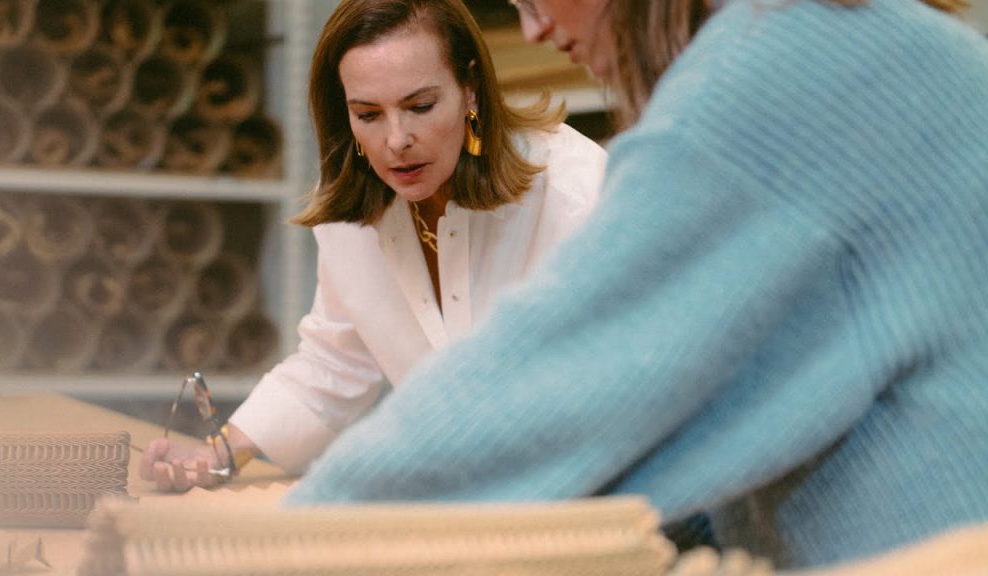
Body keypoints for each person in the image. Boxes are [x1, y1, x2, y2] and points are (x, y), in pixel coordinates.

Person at [282, 0, 988, 571]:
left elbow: (559, 381)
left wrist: (296, 535)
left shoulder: (772, 69)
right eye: (368, 114)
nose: (532, 28)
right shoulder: (875, 37)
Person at [139, 0, 607, 491]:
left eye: (420, 107)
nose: (396, 140)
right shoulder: (356, 214)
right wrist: (220, 454)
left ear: (470, 88)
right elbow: (333, 364)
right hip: (461, 502)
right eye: (368, 114)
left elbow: (614, 376)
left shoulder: (573, 190)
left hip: (587, 495)